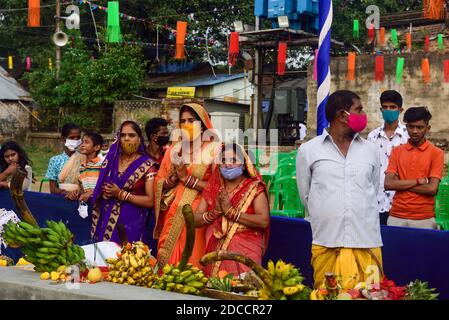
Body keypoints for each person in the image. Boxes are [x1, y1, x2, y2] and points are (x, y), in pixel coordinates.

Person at [297, 90, 383, 290]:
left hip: (366, 241)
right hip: (327, 242)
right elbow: (306, 195)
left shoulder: (371, 150)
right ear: (342, 115)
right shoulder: (309, 150)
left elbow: (374, 188)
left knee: (370, 294)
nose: (363, 115)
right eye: (358, 110)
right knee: (327, 294)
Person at [154, 103, 221, 268]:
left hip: (199, 213)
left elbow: (219, 188)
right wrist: (172, 180)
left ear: (202, 123)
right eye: (183, 121)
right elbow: (159, 181)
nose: (186, 125)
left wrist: (187, 179)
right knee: (167, 260)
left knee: (193, 258)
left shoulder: (215, 149)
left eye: (191, 120)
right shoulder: (174, 150)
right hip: (173, 211)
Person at [195, 143, 270, 278]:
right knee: (216, 289)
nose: (228, 164)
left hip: (245, 251)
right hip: (215, 250)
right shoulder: (214, 188)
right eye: (223, 160)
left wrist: (232, 213)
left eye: (234, 160)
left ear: (244, 163)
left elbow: (263, 221)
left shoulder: (254, 188)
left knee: (243, 290)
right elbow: (195, 219)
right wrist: (214, 213)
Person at [91, 121, 158, 244]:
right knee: (104, 258)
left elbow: (150, 201)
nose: (126, 139)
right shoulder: (112, 160)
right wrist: (104, 192)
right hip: (107, 217)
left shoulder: (148, 165)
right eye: (123, 135)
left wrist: (121, 194)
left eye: (131, 135)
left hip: (133, 221)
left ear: (139, 139)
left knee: (127, 259)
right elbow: (102, 185)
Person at [384, 107, 444, 229]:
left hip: (424, 218)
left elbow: (432, 189)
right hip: (396, 216)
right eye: (411, 127)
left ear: (428, 128)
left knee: (424, 249)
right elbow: (389, 184)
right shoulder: (396, 152)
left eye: (419, 127)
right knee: (395, 249)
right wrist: (418, 181)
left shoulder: (436, 153)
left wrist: (400, 184)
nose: (414, 131)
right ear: (406, 127)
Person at [368, 90, 409, 225]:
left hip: (400, 204)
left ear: (400, 110)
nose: (388, 110)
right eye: (385, 107)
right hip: (375, 203)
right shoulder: (372, 137)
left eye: (392, 107)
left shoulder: (408, 137)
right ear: (381, 109)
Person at [66, 132, 104, 202]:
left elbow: (105, 186)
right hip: (87, 204)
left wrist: (92, 192)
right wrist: (76, 192)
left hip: (99, 205)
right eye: (82, 142)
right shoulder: (82, 167)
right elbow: (83, 188)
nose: (82, 145)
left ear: (96, 147)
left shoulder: (102, 165)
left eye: (86, 142)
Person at [45, 123, 81, 195]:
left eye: (78, 137)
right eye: (72, 137)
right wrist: (66, 193)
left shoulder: (84, 159)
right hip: (62, 199)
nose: (76, 140)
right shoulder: (55, 160)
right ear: (63, 139)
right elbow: (53, 189)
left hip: (80, 198)